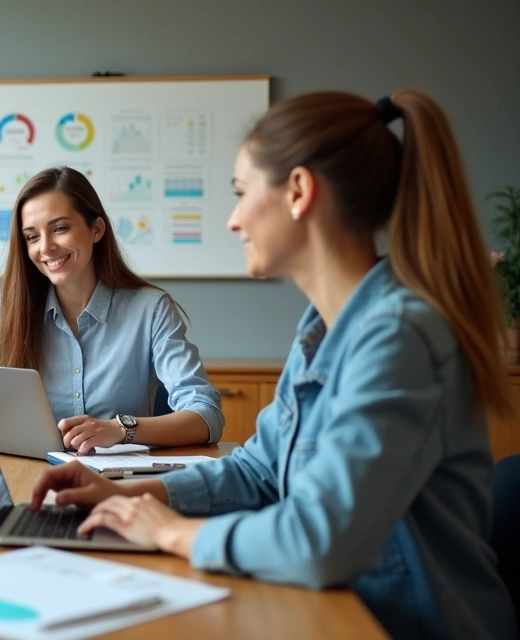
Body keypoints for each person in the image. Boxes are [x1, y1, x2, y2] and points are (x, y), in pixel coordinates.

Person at [32, 90, 517, 638]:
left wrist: (172, 533)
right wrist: (130, 496)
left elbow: (321, 540)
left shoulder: (398, 338)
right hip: (329, 608)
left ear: (299, 191)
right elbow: (257, 469)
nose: (234, 220)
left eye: (241, 193)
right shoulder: (323, 327)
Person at [0, 166, 223, 452]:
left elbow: (206, 415)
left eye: (59, 228)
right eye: (32, 236)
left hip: (118, 486)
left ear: (96, 229)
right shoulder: (8, 309)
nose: (45, 247)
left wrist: (120, 429)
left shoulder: (151, 310)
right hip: (29, 478)